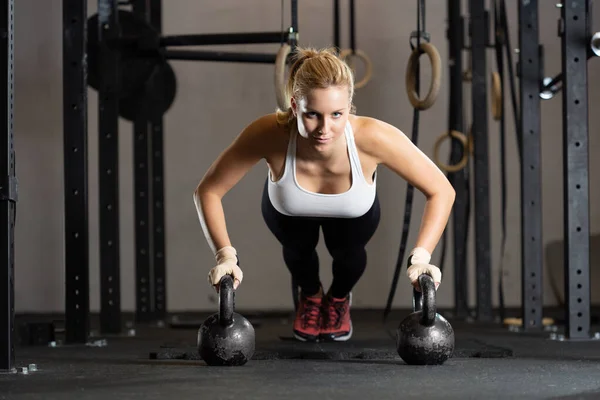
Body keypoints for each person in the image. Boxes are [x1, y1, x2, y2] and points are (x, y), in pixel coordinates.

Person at [193, 46, 455, 343]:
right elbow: (208, 190)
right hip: (289, 212)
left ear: (349, 106)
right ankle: (311, 296)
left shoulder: (374, 137)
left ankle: (339, 299)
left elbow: (441, 190)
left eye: (336, 114)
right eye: (312, 115)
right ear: (294, 106)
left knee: (349, 254)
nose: (324, 128)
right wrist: (225, 256)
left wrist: (420, 257)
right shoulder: (269, 132)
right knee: (298, 250)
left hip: (353, 214)